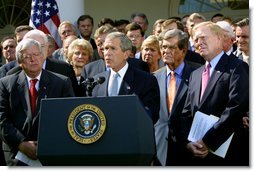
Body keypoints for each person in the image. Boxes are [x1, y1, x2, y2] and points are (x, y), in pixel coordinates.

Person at [181, 21, 249, 166]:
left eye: (203, 37)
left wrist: (208, 142)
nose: (199, 42)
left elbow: (235, 108)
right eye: (196, 39)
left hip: (226, 155)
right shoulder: (195, 74)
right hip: (196, 154)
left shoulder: (237, 67)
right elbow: (187, 113)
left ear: (219, 38)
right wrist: (189, 142)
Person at [0, 38, 75, 166]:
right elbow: (2, 119)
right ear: (19, 61)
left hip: (52, 154)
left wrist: (46, 144)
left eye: (36, 54)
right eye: (27, 56)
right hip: (16, 155)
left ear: (43, 56)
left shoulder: (61, 83)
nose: (33, 59)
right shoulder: (6, 84)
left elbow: (69, 117)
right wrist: (21, 143)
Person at [92, 32, 160, 124]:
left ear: (126, 54)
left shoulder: (146, 80)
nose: (107, 53)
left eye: (113, 48)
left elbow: (151, 115)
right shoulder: (97, 81)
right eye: (106, 48)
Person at [153, 29, 195, 166]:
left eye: (171, 47)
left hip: (189, 147)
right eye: (163, 47)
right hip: (160, 147)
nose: (166, 51)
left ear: (183, 50)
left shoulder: (197, 75)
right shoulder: (153, 77)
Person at [6, 29, 79, 97]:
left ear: (47, 48)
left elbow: (73, 102)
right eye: (30, 46)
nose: (36, 50)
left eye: (40, 46)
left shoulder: (64, 69)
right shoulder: (12, 75)